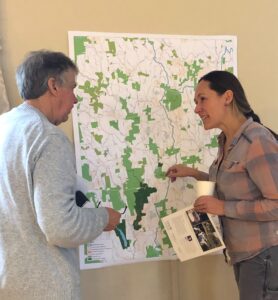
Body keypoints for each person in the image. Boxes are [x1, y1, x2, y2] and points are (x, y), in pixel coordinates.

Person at [0, 50, 121, 299]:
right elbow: (61, 228)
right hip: (44, 287)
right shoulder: (47, 137)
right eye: (73, 88)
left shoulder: (5, 126)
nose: (75, 100)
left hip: (10, 281)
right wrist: (102, 218)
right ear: (54, 86)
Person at [166, 70, 278, 300]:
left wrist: (223, 207)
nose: (197, 108)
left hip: (264, 255)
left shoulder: (256, 140)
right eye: (196, 102)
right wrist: (195, 174)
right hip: (244, 255)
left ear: (227, 97)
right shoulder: (227, 141)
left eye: (202, 99)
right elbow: (237, 185)